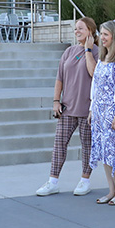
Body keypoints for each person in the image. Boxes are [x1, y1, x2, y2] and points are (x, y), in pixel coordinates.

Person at [36, 17, 99, 197]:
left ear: (90, 31)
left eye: (81, 28)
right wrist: (56, 100)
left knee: (88, 146)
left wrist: (88, 50)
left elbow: (94, 73)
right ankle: (53, 181)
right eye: (76, 29)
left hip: (88, 109)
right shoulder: (69, 51)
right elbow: (60, 78)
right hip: (68, 107)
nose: (77, 31)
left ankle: (85, 180)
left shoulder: (97, 53)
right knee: (59, 144)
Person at [87, 21, 115, 206]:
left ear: (114, 35)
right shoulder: (102, 57)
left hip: (112, 111)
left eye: (106, 34)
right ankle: (111, 191)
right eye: (101, 34)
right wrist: (91, 109)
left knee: (111, 152)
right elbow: (95, 85)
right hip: (98, 110)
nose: (102, 38)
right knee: (102, 152)